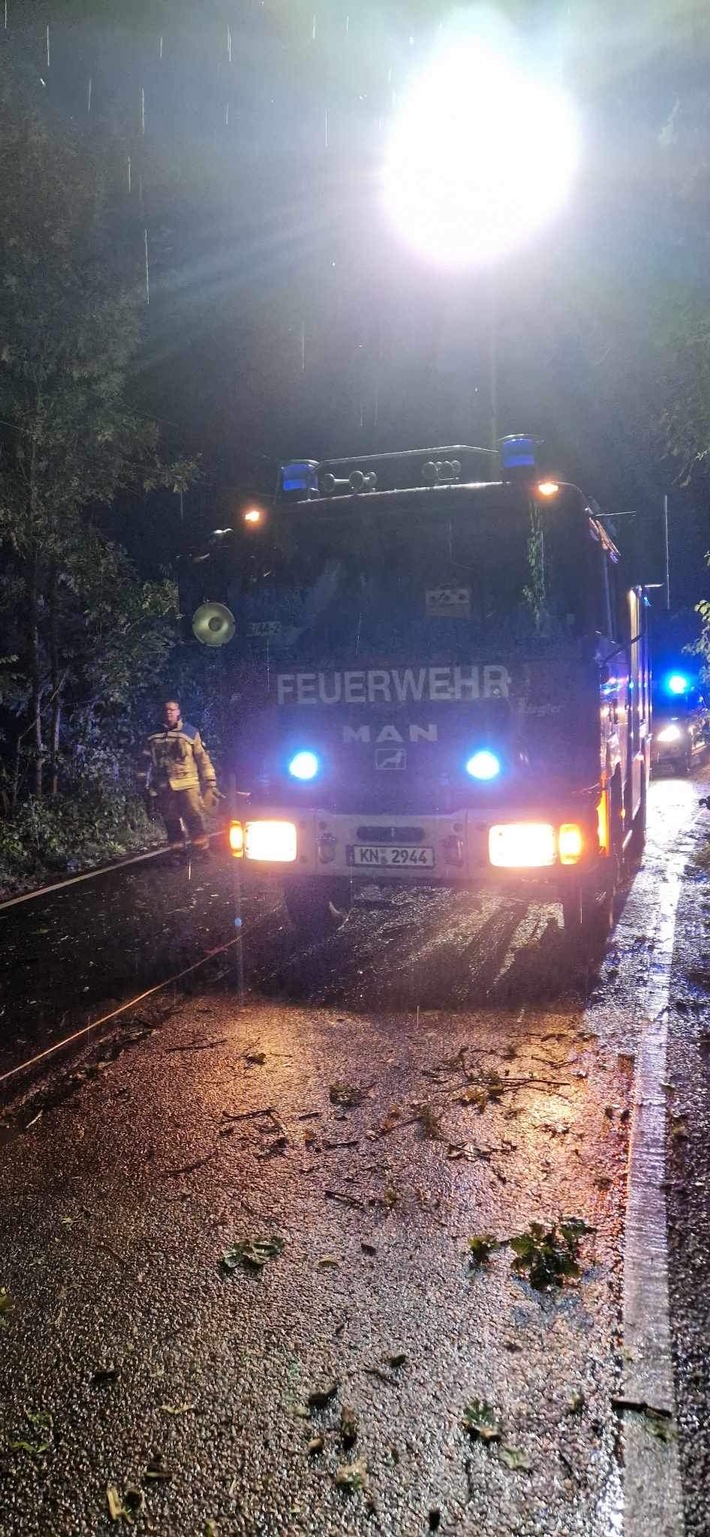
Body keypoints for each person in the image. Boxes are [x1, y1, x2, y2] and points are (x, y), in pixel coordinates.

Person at [138, 699, 219, 856]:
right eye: (166, 710)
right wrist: (142, 783)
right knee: (171, 820)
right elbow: (144, 761)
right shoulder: (153, 736)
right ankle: (177, 852)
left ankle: (202, 849)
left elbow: (202, 758)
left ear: (178, 712)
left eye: (172, 709)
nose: (169, 712)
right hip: (164, 787)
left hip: (188, 786)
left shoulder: (190, 733)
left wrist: (210, 781)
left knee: (193, 817)